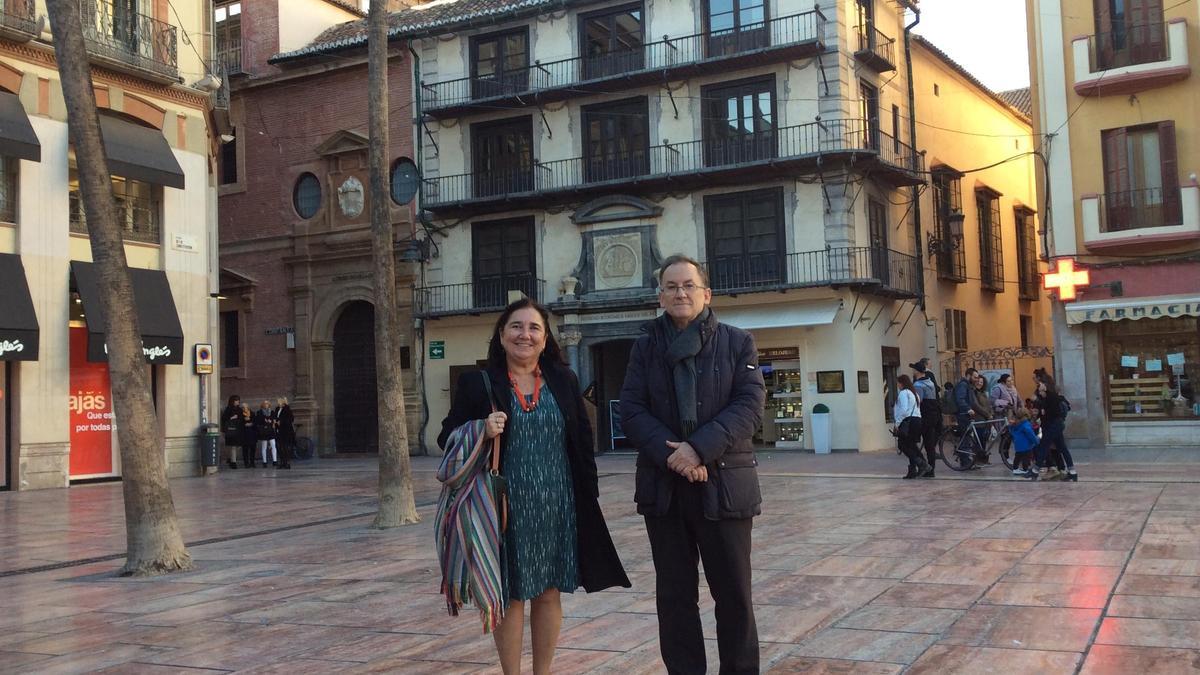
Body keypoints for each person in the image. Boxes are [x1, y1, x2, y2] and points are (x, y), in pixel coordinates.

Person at [438, 298, 629, 675]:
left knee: (548, 591)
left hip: (558, 503)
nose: (525, 334)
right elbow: (447, 437)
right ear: (502, 334)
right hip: (504, 506)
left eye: (534, 328)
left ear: (545, 339)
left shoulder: (564, 379)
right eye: (516, 326)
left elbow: (581, 440)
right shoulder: (478, 383)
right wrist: (481, 429)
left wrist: (587, 498)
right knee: (510, 593)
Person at [620, 254, 765, 675]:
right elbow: (631, 410)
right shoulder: (645, 347)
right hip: (665, 490)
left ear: (707, 293)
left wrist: (699, 449)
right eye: (671, 286)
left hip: (724, 488)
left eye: (688, 285)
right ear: (660, 296)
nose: (679, 292)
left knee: (734, 596)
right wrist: (676, 457)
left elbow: (749, 407)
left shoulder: (739, 342)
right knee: (675, 596)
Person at [1028, 370, 1078, 482]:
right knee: (1062, 448)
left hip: (1053, 425)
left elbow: (1051, 412)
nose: (1038, 389)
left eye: (1040, 386)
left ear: (1044, 386)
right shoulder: (1049, 397)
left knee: (1044, 446)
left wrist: (1039, 403)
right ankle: (1072, 472)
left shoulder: (1052, 397)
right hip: (1055, 425)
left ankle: (1035, 471)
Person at [894, 374, 932, 479]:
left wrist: (897, 423)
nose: (897, 385)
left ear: (902, 383)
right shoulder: (914, 393)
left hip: (908, 421)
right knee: (912, 445)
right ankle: (913, 470)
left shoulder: (903, 393)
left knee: (903, 445)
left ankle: (922, 464)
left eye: (898, 383)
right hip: (917, 420)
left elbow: (904, 410)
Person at [910, 362, 940, 478]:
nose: (912, 371)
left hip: (922, 417)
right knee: (930, 445)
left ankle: (921, 466)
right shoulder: (930, 383)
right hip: (932, 417)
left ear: (917, 371)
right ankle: (931, 469)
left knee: (911, 443)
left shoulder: (918, 385)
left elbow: (918, 402)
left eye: (913, 369)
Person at [1007, 407, 1039, 477]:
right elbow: (1031, 434)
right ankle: (1025, 469)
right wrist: (1036, 441)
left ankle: (1015, 468)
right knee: (1026, 458)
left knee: (1018, 457)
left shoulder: (1016, 424)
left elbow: (1011, 431)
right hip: (1026, 445)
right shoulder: (1026, 424)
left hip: (1018, 445)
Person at [254, 400, 278, 467]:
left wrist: (271, 421)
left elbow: (275, 419)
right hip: (264, 431)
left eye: (267, 403)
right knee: (264, 447)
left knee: (273, 445)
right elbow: (257, 421)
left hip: (270, 430)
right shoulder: (259, 412)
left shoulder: (272, 412)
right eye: (265, 403)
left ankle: (275, 461)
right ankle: (264, 462)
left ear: (269, 404)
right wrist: (264, 420)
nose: (266, 405)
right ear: (262, 405)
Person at [222, 395, 242, 469]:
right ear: (232, 401)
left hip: (238, 430)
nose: (237, 402)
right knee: (233, 446)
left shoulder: (240, 409)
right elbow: (224, 418)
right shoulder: (228, 409)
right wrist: (232, 417)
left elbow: (241, 418)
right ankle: (233, 462)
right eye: (236, 400)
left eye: (238, 400)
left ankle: (231, 459)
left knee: (238, 446)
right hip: (230, 430)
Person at [274, 397, 294, 469]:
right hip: (278, 430)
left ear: (283, 402)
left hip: (286, 430)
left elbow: (291, 419)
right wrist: (275, 421)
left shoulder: (287, 409)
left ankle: (286, 462)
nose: (278, 402)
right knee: (279, 446)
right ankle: (282, 462)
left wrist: (281, 422)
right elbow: (275, 417)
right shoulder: (277, 409)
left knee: (285, 447)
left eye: (279, 401)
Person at [240, 403, 256, 468]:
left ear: (248, 407)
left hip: (252, 433)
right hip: (244, 434)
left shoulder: (252, 413)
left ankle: (252, 462)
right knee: (245, 449)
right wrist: (244, 423)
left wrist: (251, 424)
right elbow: (239, 423)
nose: (244, 408)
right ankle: (246, 463)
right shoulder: (241, 414)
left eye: (245, 407)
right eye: (243, 407)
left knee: (253, 448)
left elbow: (255, 421)